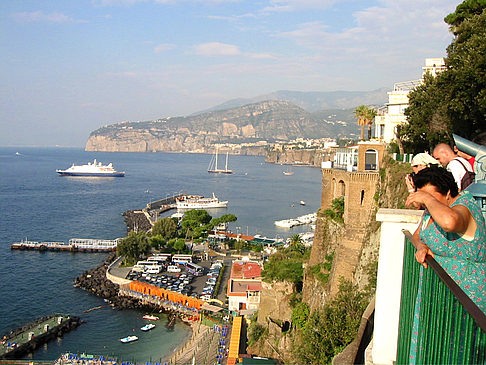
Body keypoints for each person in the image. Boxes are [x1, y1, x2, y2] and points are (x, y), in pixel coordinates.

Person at [405, 166, 486, 362]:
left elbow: (450, 223)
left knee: (459, 353)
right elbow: (418, 235)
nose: (426, 204)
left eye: (431, 197)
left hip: (467, 298)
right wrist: (421, 247)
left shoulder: (464, 206)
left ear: (448, 192)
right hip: (441, 297)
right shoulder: (432, 211)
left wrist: (426, 199)